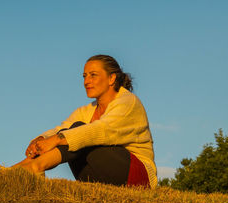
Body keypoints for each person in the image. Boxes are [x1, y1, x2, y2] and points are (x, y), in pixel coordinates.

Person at [12, 55, 157, 188]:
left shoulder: (128, 102)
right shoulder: (87, 110)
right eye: (84, 76)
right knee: (72, 131)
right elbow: (63, 128)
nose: (86, 81)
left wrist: (56, 140)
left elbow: (100, 130)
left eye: (93, 75)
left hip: (137, 177)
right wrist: (41, 139)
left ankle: (35, 168)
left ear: (112, 78)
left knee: (79, 132)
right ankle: (25, 166)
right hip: (102, 174)